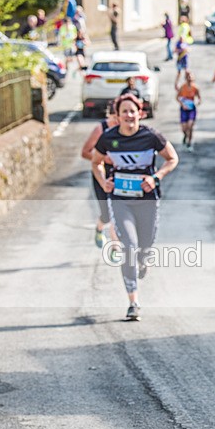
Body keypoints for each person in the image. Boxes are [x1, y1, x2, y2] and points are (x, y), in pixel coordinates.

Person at [92, 94, 179, 321]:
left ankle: (143, 259)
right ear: (118, 116)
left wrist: (156, 177)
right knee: (129, 247)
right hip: (120, 200)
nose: (129, 116)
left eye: (133, 111)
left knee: (145, 245)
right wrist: (104, 182)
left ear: (140, 113)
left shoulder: (150, 137)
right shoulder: (108, 138)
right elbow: (96, 162)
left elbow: (172, 158)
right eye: (124, 112)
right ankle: (133, 302)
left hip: (147, 200)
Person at [81, 104, 120, 251]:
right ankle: (99, 228)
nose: (118, 122)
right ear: (109, 116)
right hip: (101, 173)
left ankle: (115, 247)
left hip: (119, 174)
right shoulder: (100, 129)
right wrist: (104, 158)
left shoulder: (125, 130)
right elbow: (85, 152)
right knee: (107, 214)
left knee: (117, 211)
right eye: (115, 119)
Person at [176, 71, 201, 150]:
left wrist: (196, 103)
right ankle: (185, 135)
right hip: (184, 109)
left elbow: (199, 98)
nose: (190, 79)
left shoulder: (195, 88)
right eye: (188, 77)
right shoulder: (183, 87)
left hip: (191, 109)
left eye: (191, 77)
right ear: (186, 78)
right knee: (184, 128)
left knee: (190, 126)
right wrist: (182, 104)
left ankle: (189, 142)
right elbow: (177, 97)